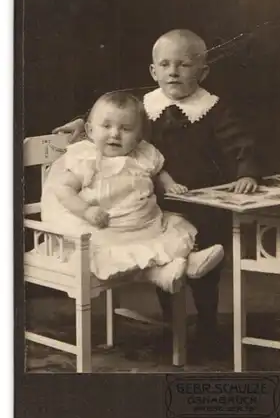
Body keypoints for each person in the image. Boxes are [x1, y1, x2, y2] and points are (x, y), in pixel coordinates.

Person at [52, 29, 259, 357]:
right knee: (164, 258)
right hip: (154, 201)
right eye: (165, 65)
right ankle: (171, 323)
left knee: (206, 267)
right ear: (154, 71)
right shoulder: (146, 105)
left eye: (184, 65)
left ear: (203, 72)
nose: (173, 72)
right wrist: (84, 122)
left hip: (202, 199)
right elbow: (113, 115)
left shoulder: (214, 109)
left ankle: (207, 325)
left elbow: (239, 143)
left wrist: (245, 171)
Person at [42, 91, 224, 293]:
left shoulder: (144, 154)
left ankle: (186, 260)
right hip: (105, 228)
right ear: (90, 130)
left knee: (175, 226)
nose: (115, 134)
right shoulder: (87, 158)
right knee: (120, 253)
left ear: (138, 138)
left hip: (143, 223)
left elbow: (158, 171)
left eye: (125, 129)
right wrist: (86, 211)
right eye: (106, 126)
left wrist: (170, 183)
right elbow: (64, 189)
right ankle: (158, 272)